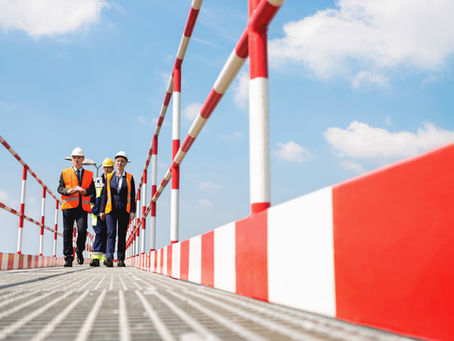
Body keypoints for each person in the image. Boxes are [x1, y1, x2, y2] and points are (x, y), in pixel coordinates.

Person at [57, 147, 95, 267]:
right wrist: (68, 191)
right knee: (67, 232)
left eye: (79, 157)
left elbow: (92, 190)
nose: (77, 160)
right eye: (74, 158)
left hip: (82, 208)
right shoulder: (65, 172)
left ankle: (79, 250)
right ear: (71, 159)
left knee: (82, 230)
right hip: (68, 206)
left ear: (83, 159)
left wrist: (85, 191)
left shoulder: (89, 174)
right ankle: (68, 257)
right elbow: (60, 188)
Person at [100, 151, 136, 267]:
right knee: (110, 233)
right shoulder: (110, 177)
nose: (120, 163)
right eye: (118, 161)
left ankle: (121, 259)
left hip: (124, 210)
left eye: (122, 161)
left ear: (125, 163)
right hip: (111, 209)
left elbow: (133, 195)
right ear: (115, 163)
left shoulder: (130, 178)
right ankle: (109, 258)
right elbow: (104, 194)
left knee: (121, 235)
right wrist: (102, 210)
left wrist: (132, 211)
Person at [89, 157, 114, 267]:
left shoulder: (114, 181)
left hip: (109, 213)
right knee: (99, 234)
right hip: (97, 214)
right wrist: (97, 212)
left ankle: (105, 258)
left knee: (108, 234)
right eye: (105, 168)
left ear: (112, 169)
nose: (107, 170)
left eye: (109, 168)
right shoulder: (96, 182)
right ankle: (95, 258)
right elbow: (92, 199)